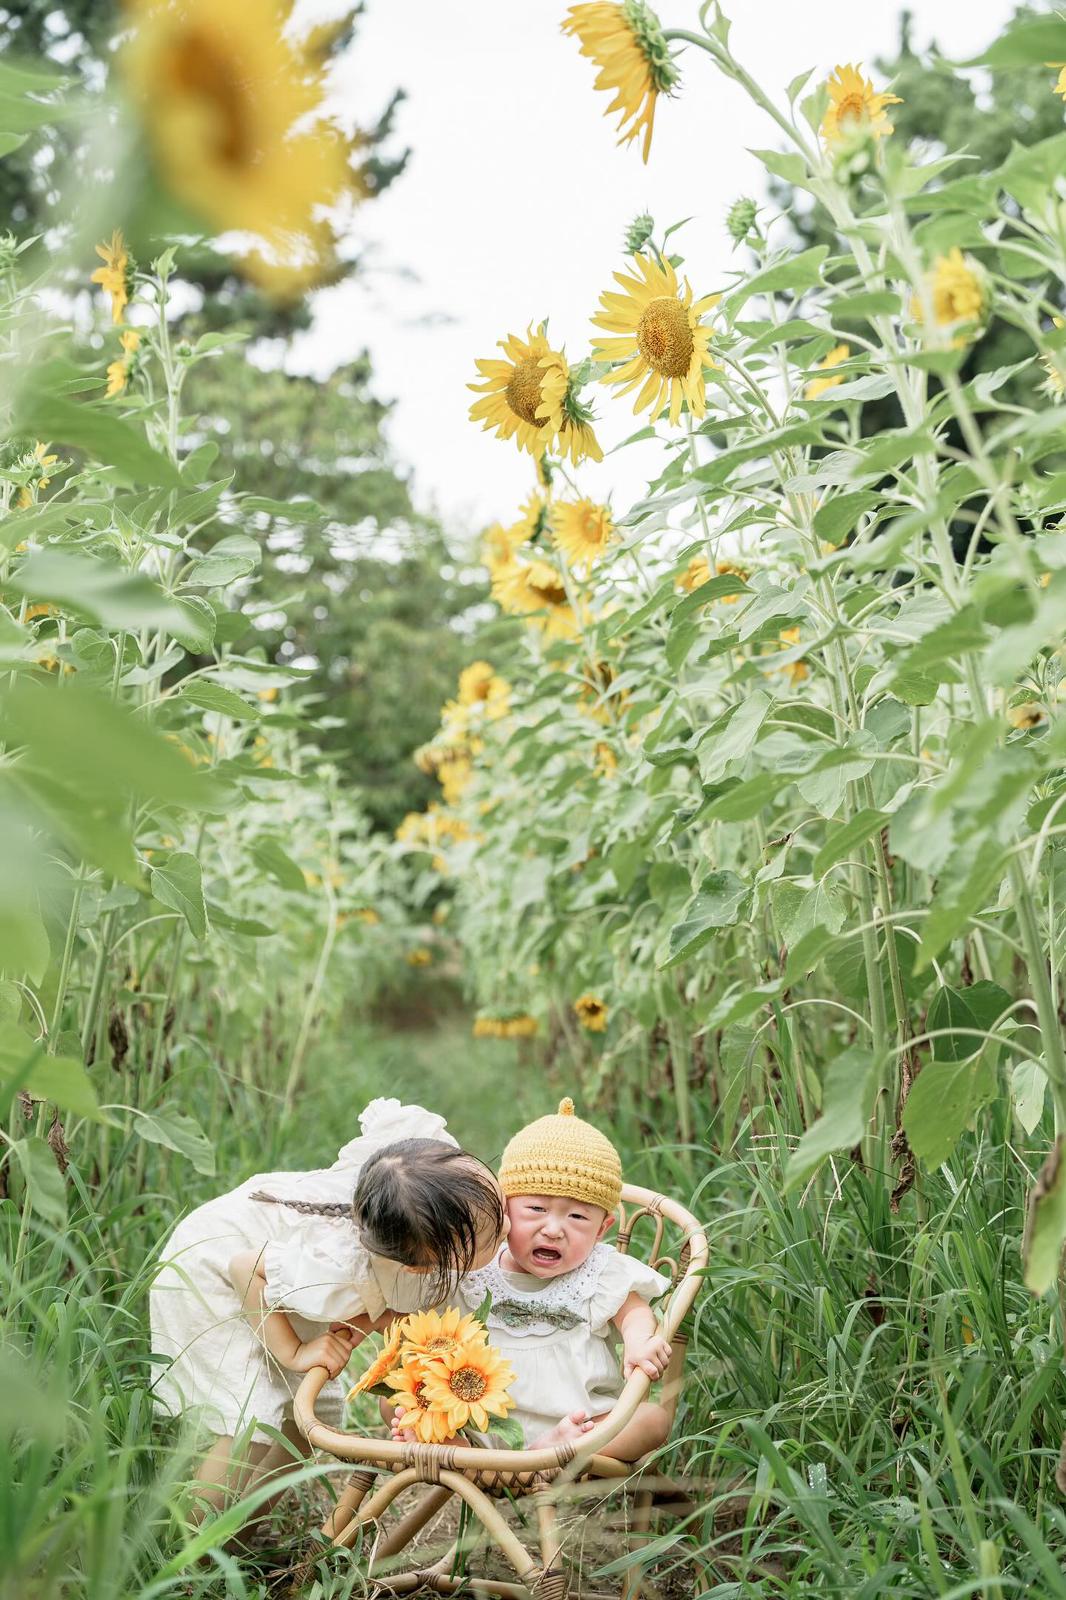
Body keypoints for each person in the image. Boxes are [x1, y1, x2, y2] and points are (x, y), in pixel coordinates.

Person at [150, 1097, 506, 1521]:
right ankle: (187, 1558)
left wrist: (382, 1319)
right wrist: (295, 1354)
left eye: (497, 1205)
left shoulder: (421, 1167)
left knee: (305, 1421)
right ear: (419, 1266)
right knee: (251, 1422)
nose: (508, 1224)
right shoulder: (340, 1269)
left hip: (268, 1265)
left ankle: (237, 1536)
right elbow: (245, 1269)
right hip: (210, 1272)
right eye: (493, 1236)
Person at [447, 1098, 673, 1461]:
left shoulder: (599, 1271)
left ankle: (555, 1451)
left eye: (578, 1218)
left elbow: (633, 1312)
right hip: (476, 1428)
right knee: (396, 1401)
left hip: (579, 1427)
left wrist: (638, 1342)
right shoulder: (475, 1266)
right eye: (536, 1209)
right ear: (503, 1210)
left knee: (651, 1420)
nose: (553, 1230)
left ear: (603, 1229)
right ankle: (457, 1451)